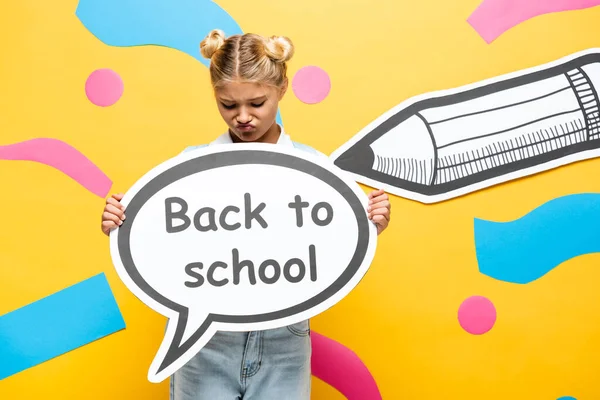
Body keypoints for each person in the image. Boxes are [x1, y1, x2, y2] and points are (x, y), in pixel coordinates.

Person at [101, 29, 392, 400]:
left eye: (257, 103)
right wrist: (123, 224)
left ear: (282, 88)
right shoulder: (190, 169)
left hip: (284, 342)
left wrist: (366, 227)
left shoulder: (316, 172)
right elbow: (162, 244)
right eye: (228, 105)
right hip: (203, 343)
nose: (243, 118)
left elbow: (327, 245)